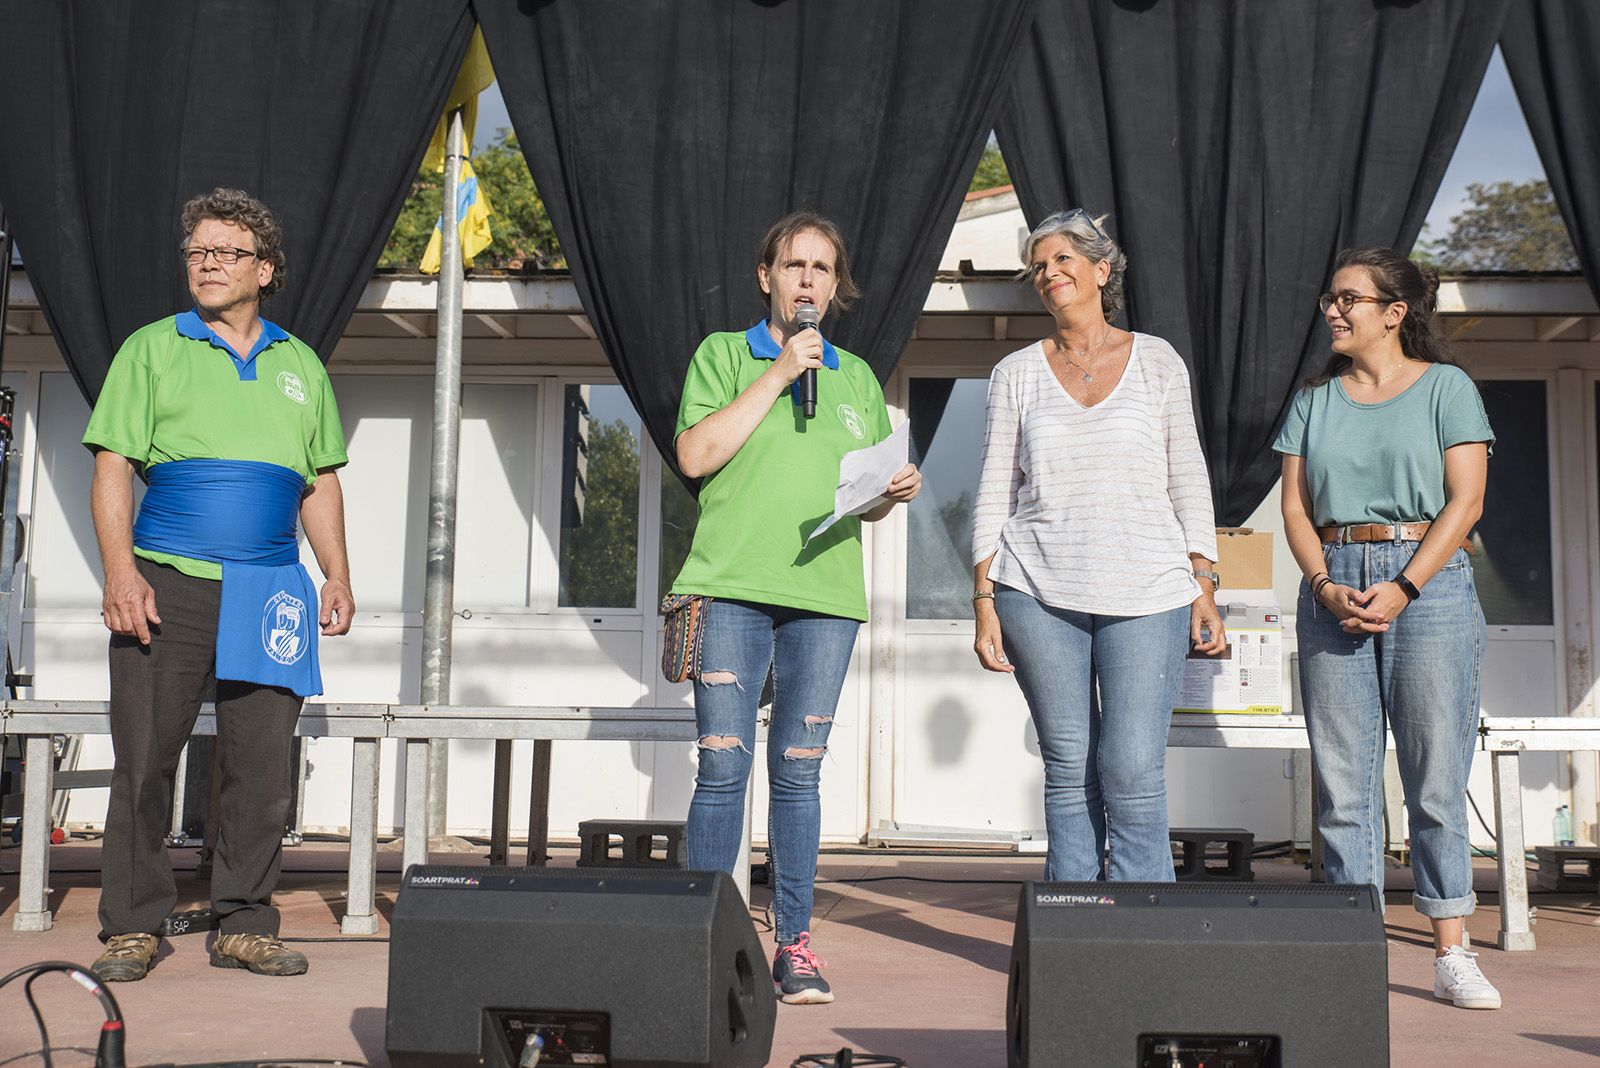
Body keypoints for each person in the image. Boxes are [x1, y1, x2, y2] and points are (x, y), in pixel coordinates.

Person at [85, 188, 354, 982]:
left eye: (226, 252)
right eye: (197, 251)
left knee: (262, 769)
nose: (206, 263)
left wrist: (335, 573)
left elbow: (322, 483)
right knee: (144, 762)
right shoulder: (151, 348)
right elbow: (110, 468)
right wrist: (121, 574)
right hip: (168, 583)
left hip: (273, 592)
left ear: (264, 270)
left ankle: (243, 921)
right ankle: (131, 927)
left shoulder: (299, 362)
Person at [669, 212, 920, 1004]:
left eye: (822, 268)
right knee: (723, 765)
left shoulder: (857, 378)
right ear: (766, 277)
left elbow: (863, 500)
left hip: (824, 599)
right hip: (732, 587)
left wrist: (888, 494)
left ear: (836, 286)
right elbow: (695, 455)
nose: (808, 279)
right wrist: (777, 373)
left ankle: (797, 946)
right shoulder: (723, 354)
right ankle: (704, 941)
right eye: (794, 265)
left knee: (800, 774)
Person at [971, 208, 1224, 883]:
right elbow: (995, 490)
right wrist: (984, 598)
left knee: (1132, 764)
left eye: (1061, 260)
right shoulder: (1016, 373)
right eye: (1039, 265)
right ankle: (1074, 931)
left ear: (1100, 270)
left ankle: (1146, 930)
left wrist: (1204, 580)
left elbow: (1187, 473)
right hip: (1036, 590)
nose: (1048, 273)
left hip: (1149, 591)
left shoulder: (1158, 360)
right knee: (1069, 762)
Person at [1275, 246, 1498, 1010]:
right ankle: (1351, 948)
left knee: (1436, 777)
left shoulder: (1447, 389)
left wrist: (1404, 586)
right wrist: (1324, 584)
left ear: (1394, 312)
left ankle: (1452, 949)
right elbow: (1297, 511)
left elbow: (1463, 504)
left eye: (1349, 299)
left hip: (1428, 585)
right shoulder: (1314, 399)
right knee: (1342, 782)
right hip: (1332, 581)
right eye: (1330, 299)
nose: (1332, 311)